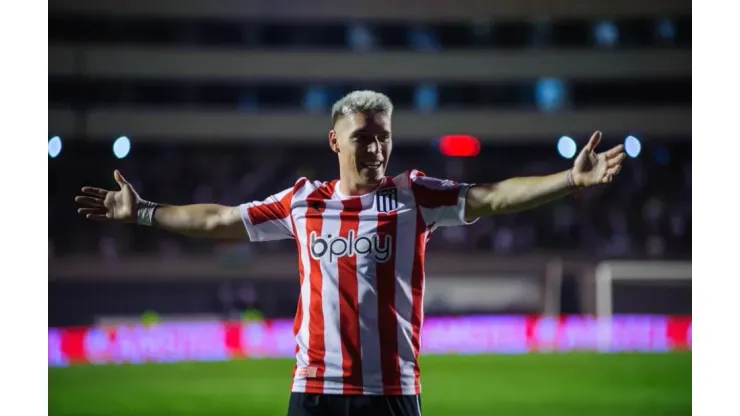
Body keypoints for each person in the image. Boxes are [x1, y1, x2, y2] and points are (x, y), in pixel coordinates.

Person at [75, 90, 625, 416]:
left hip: (390, 392)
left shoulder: (414, 195)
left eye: (383, 135)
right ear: (336, 141)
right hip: (314, 391)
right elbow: (218, 219)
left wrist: (569, 182)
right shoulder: (302, 202)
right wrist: (144, 212)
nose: (377, 146)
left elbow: (495, 197)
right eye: (364, 136)